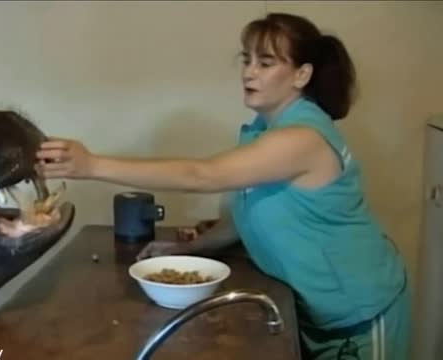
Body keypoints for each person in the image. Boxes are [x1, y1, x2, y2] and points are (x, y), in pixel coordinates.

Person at [34, 12, 410, 360]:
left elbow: (203, 175)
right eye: (246, 60)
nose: (249, 72)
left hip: (358, 313)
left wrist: (93, 165)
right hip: (314, 313)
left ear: (301, 75)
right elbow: (249, 213)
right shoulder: (264, 131)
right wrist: (192, 247)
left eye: (265, 63)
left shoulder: (302, 139)